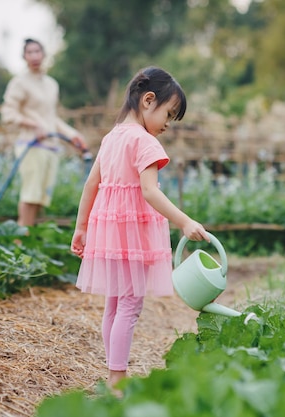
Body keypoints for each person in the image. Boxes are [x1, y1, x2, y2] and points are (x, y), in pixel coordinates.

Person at [70, 66, 209, 390]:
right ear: (148, 100)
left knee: (115, 303)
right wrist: (185, 221)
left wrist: (81, 227)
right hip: (130, 233)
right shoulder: (145, 142)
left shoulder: (112, 137)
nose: (167, 126)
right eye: (168, 115)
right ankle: (117, 379)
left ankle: (112, 373)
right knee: (130, 304)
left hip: (109, 230)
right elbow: (149, 190)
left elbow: (92, 183)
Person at [0, 38, 87, 227]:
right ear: (24, 57)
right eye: (29, 52)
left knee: (40, 199)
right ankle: (20, 241)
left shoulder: (51, 84)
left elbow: (52, 118)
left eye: (37, 51)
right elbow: (8, 113)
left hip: (50, 147)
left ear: (44, 54)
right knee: (30, 195)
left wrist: (73, 135)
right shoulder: (19, 83)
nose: (34, 56)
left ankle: (29, 241)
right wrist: (32, 124)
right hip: (30, 145)